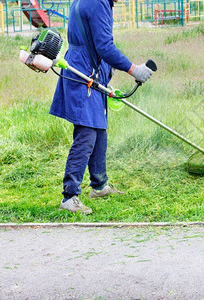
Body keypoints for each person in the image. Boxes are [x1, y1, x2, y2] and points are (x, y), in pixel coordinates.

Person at [50, 0, 153, 214]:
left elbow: (92, 42)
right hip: (84, 74)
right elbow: (104, 46)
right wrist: (134, 70)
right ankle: (70, 197)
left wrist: (106, 75)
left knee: (99, 130)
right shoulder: (97, 3)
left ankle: (98, 185)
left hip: (87, 70)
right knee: (87, 134)